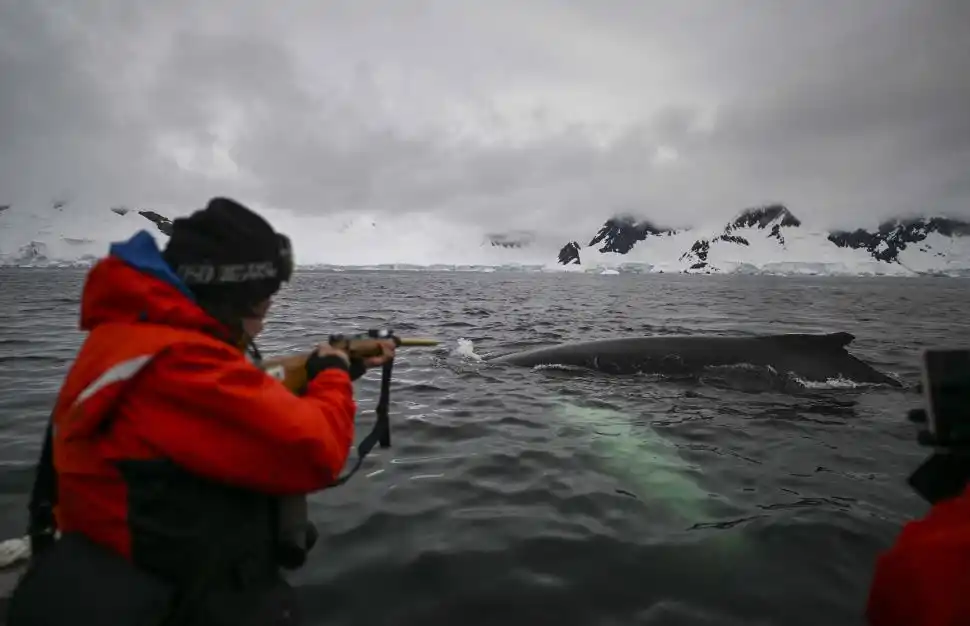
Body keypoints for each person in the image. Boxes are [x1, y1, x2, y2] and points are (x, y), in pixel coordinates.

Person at [6, 197, 395, 626]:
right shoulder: (176, 364)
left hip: (133, 573)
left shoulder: (134, 336)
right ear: (233, 293)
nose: (265, 317)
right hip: (171, 600)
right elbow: (315, 451)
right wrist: (333, 376)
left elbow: (238, 397)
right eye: (263, 300)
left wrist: (331, 370)